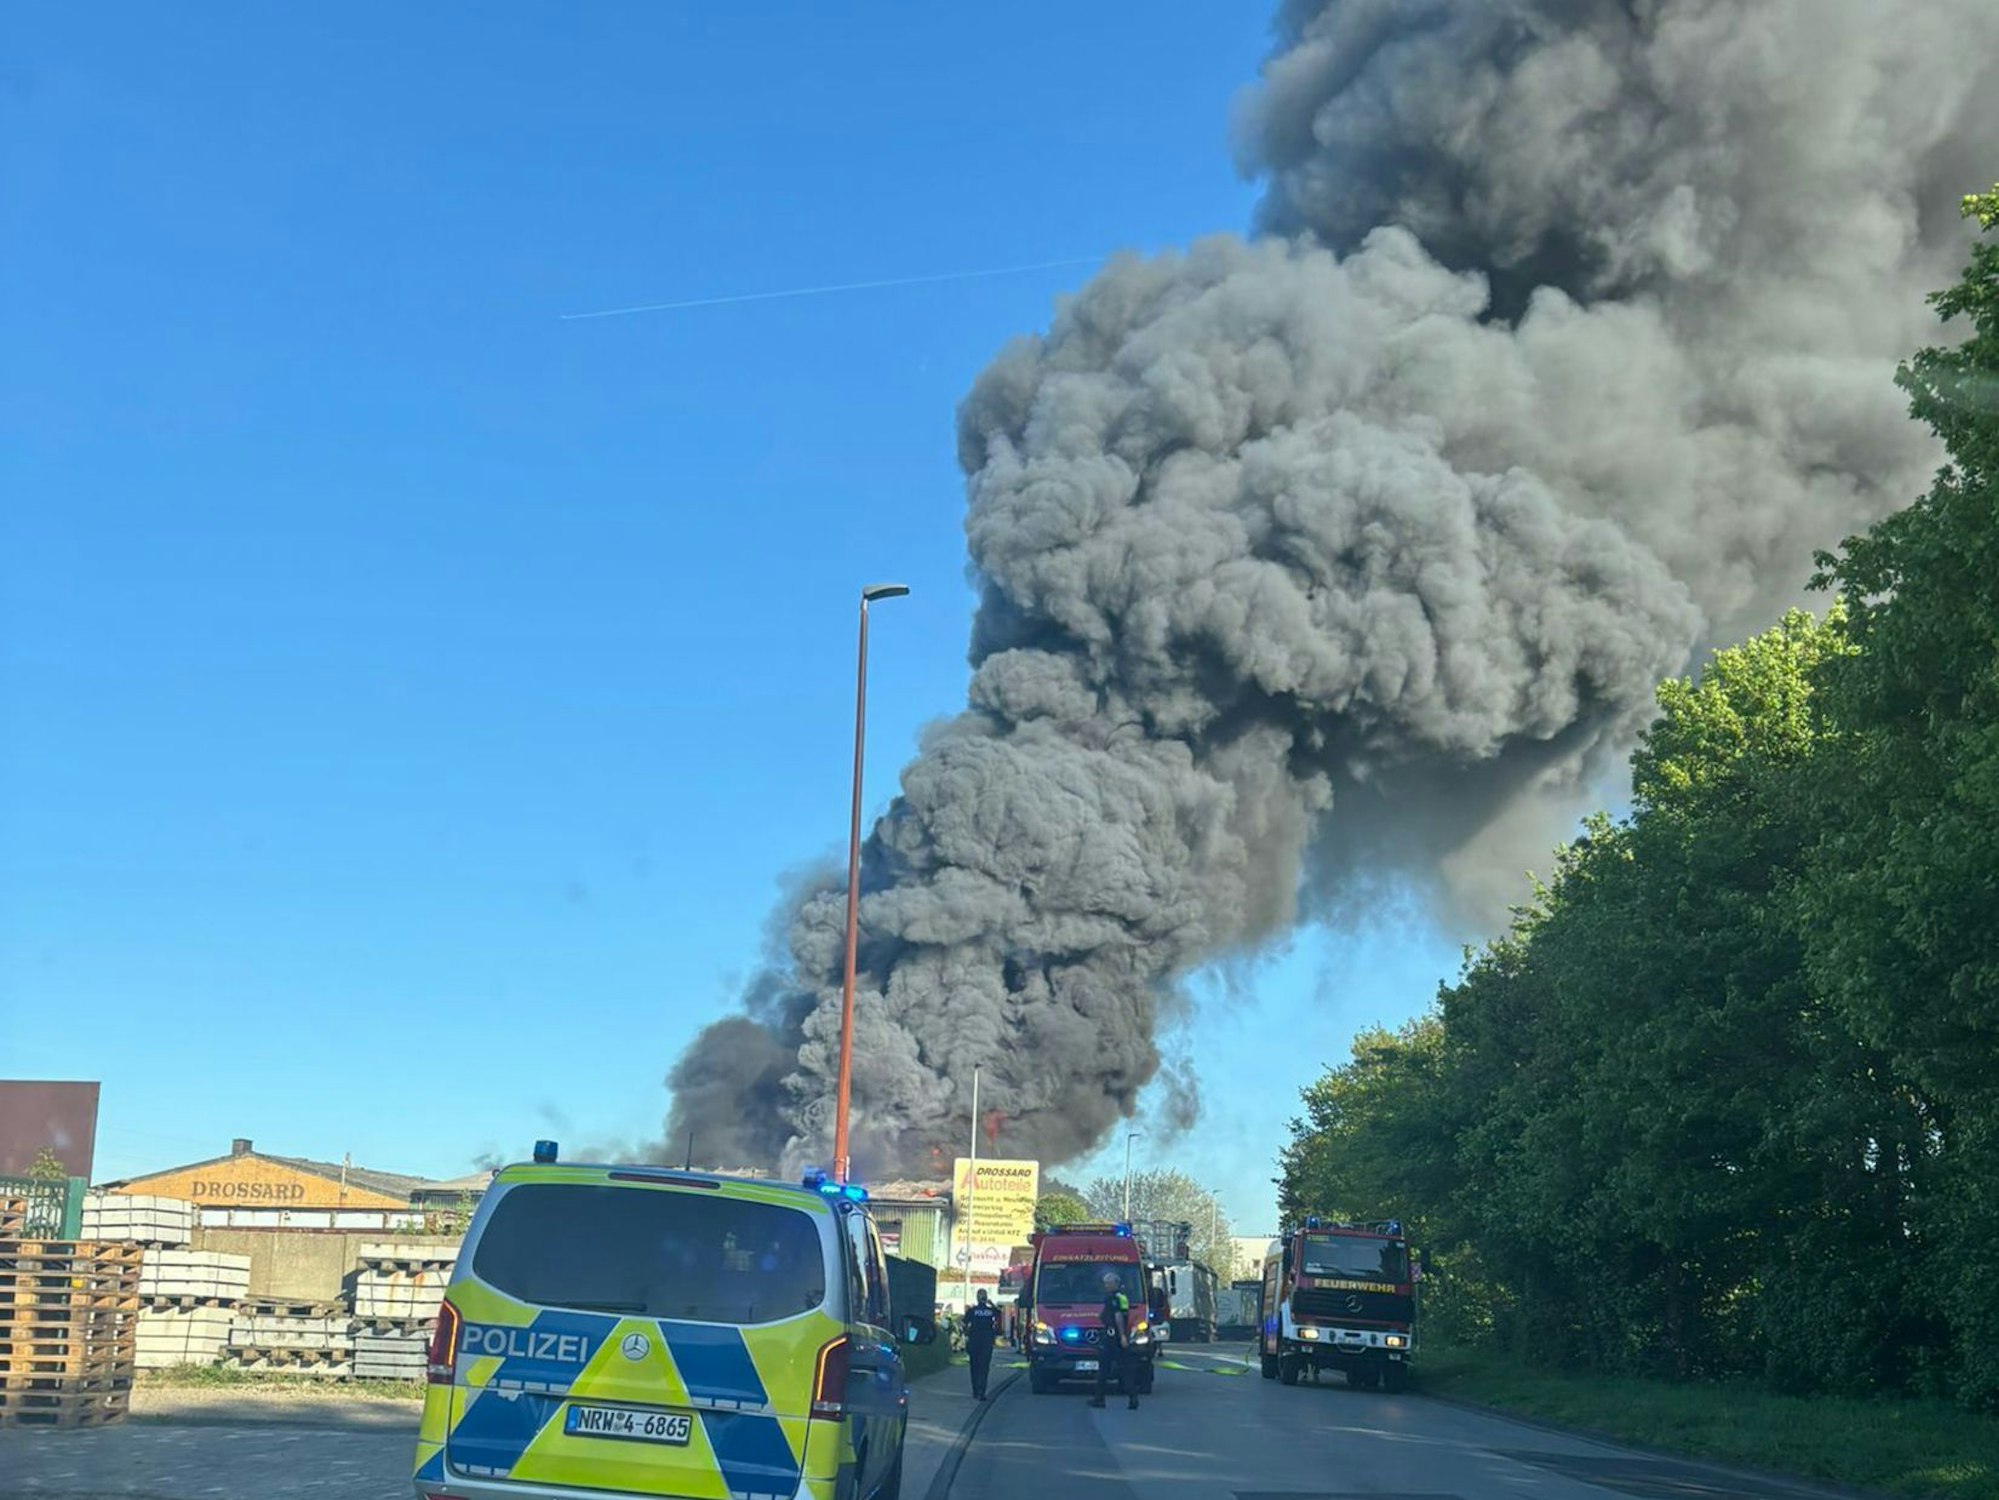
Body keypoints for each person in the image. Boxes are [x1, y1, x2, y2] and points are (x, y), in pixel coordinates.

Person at [1088, 1270, 1139, 1410]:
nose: (1106, 1286)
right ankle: (1133, 1397)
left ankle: (1099, 1399)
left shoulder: (1112, 1298)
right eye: (1105, 1283)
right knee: (1125, 1368)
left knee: (1103, 1369)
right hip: (1117, 1337)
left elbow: (1118, 1317)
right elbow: (1125, 1315)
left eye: (1108, 1283)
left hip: (1112, 1338)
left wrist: (1122, 1336)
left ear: (1115, 1283)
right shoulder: (1122, 1297)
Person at [964, 1288, 1001, 1399]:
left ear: (977, 1298)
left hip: (974, 1341)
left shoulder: (972, 1310)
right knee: (984, 1368)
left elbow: (964, 1322)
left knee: (974, 1367)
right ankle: (982, 1392)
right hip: (987, 1342)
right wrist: (991, 1304)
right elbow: (999, 1313)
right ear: (986, 1298)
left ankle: (975, 1391)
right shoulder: (990, 1311)